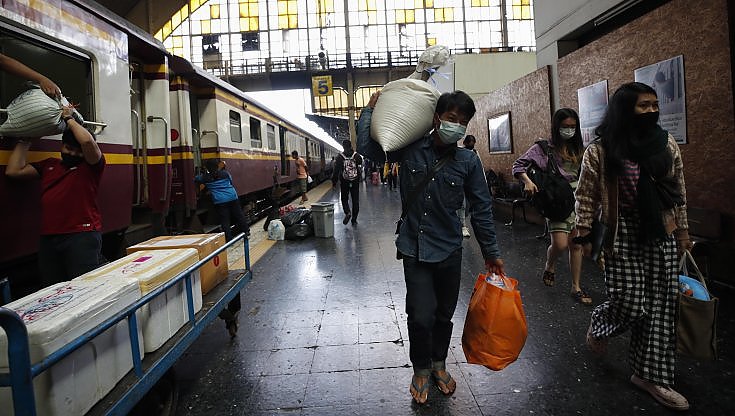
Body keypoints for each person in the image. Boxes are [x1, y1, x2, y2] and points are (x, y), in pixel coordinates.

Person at [358, 90, 504, 405]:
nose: (457, 126)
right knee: (420, 315)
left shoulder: (468, 160)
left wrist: (491, 253)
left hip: (450, 249)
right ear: (437, 118)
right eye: (452, 119)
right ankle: (421, 368)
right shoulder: (410, 151)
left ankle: (439, 364)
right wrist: (368, 112)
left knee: (443, 315)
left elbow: (481, 209)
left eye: (463, 122)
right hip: (415, 248)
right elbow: (369, 148)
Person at [574, 82, 691, 411]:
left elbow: (677, 188)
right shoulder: (601, 149)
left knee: (661, 308)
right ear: (625, 109)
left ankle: (650, 376)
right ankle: (600, 324)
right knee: (630, 302)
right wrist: (582, 232)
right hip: (621, 231)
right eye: (643, 106)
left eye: (655, 104)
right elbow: (586, 195)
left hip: (661, 229)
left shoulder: (665, 143)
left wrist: (682, 232)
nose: (652, 110)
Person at [5, 105, 104, 287]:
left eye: (77, 150)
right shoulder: (49, 166)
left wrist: (69, 118)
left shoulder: (91, 167)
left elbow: (88, 143)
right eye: (68, 148)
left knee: (85, 289)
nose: (72, 153)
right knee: (53, 289)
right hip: (49, 239)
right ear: (62, 146)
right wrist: (26, 140)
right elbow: (14, 171)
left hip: (81, 236)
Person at [512, 108, 591, 305]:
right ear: (557, 127)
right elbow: (518, 165)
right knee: (561, 244)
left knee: (576, 244)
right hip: (557, 200)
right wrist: (527, 182)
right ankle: (550, 263)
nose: (569, 130)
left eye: (573, 127)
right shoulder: (544, 148)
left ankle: (576, 287)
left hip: (578, 199)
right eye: (565, 127)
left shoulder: (580, 148)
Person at [194, 158, 249, 337]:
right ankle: (246, 232)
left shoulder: (207, 178)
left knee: (225, 221)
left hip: (219, 201)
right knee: (239, 216)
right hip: (232, 197)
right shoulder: (225, 173)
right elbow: (231, 180)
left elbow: (197, 180)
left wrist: (201, 177)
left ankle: (229, 239)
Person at [332, 139, 363, 225]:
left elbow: (336, 171)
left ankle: (348, 212)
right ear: (351, 146)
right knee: (355, 200)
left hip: (344, 181)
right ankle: (354, 219)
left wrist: (334, 182)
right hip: (355, 181)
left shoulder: (340, 157)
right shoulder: (357, 156)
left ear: (343, 146)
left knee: (344, 199)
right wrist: (359, 178)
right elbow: (360, 167)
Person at [458, 135, 481, 238]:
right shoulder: (460, 153)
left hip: (470, 183)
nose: (471, 145)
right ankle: (462, 226)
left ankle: (462, 223)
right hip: (461, 182)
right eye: (470, 143)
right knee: (462, 205)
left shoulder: (475, 153)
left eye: (473, 143)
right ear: (465, 143)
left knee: (467, 206)